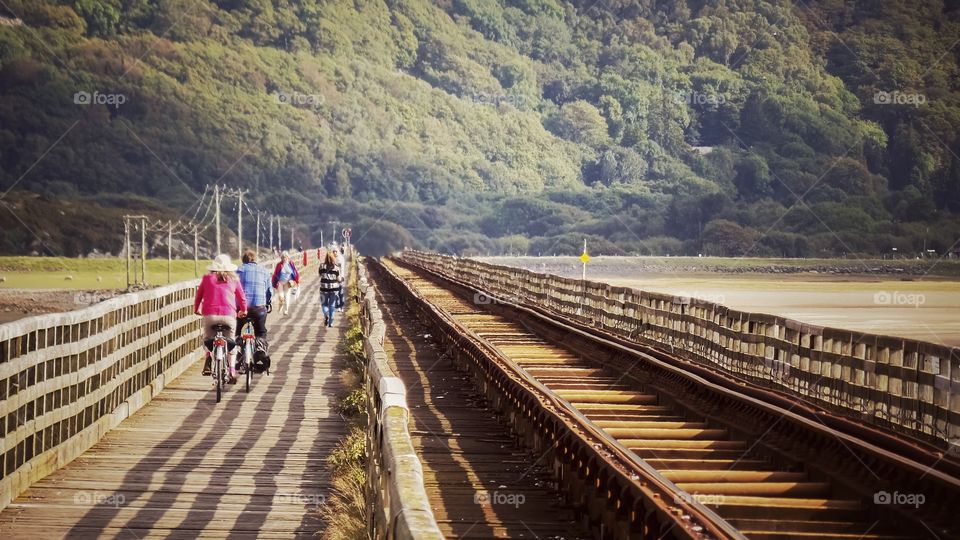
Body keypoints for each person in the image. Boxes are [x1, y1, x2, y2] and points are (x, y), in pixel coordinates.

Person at [194, 254, 247, 383]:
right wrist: (243, 310)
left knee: (207, 339)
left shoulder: (207, 279)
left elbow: (198, 296)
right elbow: (241, 297)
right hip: (229, 316)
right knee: (231, 343)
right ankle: (232, 371)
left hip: (210, 316)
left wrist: (197, 309)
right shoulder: (234, 279)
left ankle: (208, 357)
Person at [236, 249, 272, 370]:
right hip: (259, 308)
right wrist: (267, 302)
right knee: (261, 331)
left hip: (241, 309)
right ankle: (260, 348)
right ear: (256, 260)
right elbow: (269, 292)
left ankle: (237, 350)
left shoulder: (238, 270)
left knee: (236, 330)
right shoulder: (265, 272)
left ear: (243, 260)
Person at [272, 251, 300, 315]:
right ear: (281, 258)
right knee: (281, 296)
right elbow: (275, 274)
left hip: (288, 282)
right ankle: (281, 304)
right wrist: (274, 282)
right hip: (280, 282)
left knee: (287, 296)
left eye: (285, 257)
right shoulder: (279, 265)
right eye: (283, 257)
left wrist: (296, 281)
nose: (284, 258)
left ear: (288, 257)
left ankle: (286, 310)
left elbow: (295, 272)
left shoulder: (291, 264)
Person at [319, 251, 343, 327]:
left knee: (324, 304)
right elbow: (338, 279)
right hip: (334, 289)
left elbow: (320, 275)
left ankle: (326, 314)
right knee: (332, 305)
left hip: (324, 289)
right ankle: (331, 322)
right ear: (333, 258)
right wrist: (342, 279)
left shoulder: (321, 266)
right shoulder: (336, 267)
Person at [335, 245, 346, 312]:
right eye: (333, 251)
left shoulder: (340, 258)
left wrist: (342, 276)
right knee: (335, 293)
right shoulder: (332, 258)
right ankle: (338, 306)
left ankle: (341, 306)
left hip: (340, 277)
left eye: (335, 251)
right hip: (334, 278)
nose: (334, 253)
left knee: (340, 292)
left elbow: (342, 268)